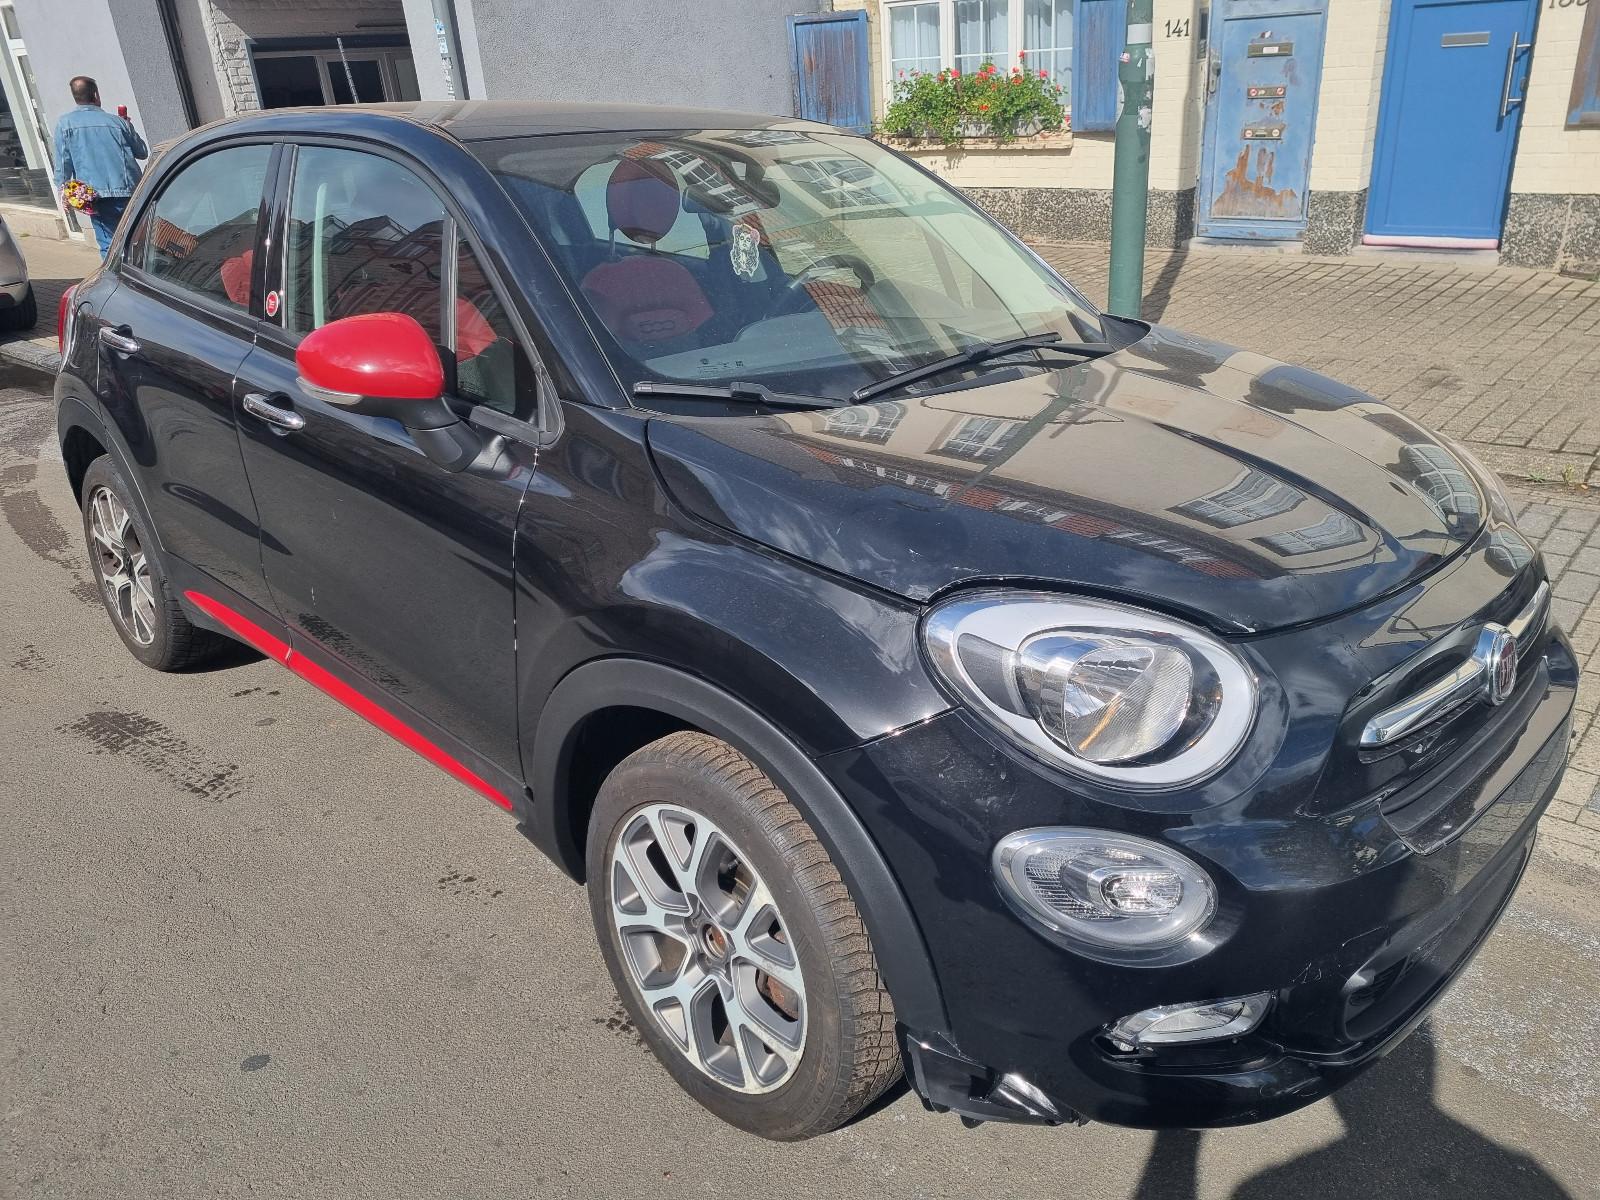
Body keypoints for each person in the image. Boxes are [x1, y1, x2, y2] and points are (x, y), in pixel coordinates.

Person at [52, 76, 147, 255]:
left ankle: (116, 273)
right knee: (139, 242)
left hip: (96, 196)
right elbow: (142, 152)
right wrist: (128, 125)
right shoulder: (118, 122)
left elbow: (63, 164)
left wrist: (63, 192)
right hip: (130, 192)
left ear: (75, 97)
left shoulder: (65, 124)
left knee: (109, 247)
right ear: (96, 95)